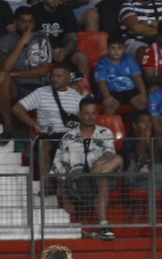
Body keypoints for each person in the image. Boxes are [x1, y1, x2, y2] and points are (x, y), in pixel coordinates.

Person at [50, 97, 121, 239]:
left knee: (117, 161)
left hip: (100, 174)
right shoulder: (68, 137)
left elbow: (109, 152)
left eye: (94, 113)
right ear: (80, 115)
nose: (91, 117)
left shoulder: (105, 133)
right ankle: (104, 225)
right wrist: (65, 200)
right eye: (87, 113)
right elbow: (60, 170)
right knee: (102, 177)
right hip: (77, 181)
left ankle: (103, 224)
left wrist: (98, 165)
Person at [0, 6, 55, 142]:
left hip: (41, 87)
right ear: (16, 22)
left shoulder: (42, 38)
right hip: (17, 88)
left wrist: (14, 74)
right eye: (23, 21)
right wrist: (21, 43)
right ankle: (8, 128)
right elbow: (5, 68)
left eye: (30, 21)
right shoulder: (5, 40)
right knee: (0, 76)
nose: (27, 25)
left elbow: (44, 70)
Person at [13, 64, 85, 174]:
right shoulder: (41, 92)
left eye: (59, 76)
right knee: (44, 145)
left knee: (72, 146)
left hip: (68, 136)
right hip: (48, 135)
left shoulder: (77, 97)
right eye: (53, 76)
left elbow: (84, 120)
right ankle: (45, 188)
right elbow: (17, 108)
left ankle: (66, 187)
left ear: (68, 78)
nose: (54, 79)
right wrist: (35, 125)